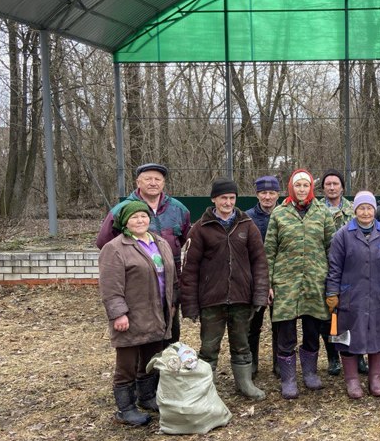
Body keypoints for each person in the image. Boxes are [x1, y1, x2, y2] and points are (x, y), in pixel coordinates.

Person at [180, 178, 269, 400]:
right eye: (223, 198)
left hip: (241, 298)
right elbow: (189, 269)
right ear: (214, 199)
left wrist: (259, 294)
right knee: (209, 347)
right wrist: (190, 304)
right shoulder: (200, 228)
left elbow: (259, 262)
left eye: (231, 198)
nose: (228, 202)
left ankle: (245, 383)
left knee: (242, 344)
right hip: (212, 300)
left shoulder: (247, 225)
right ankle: (205, 388)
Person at [98, 201, 176, 426]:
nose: (140, 221)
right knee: (127, 365)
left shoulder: (159, 242)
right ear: (124, 222)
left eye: (143, 216)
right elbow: (110, 286)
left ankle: (147, 397)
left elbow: (170, 276)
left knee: (151, 361)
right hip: (131, 316)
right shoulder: (115, 248)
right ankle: (125, 409)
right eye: (134, 217)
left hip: (157, 313)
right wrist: (118, 314)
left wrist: (171, 302)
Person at [96, 163, 191, 344]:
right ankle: (144, 370)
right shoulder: (121, 210)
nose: (153, 183)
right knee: (141, 333)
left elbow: (186, 239)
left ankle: (167, 368)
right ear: (138, 182)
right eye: (148, 179)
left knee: (170, 329)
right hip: (138, 286)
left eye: (158, 179)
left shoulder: (178, 209)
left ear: (163, 183)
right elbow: (104, 243)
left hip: (171, 283)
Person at [266, 169, 336, 399]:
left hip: (315, 282)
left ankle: (310, 373)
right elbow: (269, 252)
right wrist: (268, 283)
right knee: (285, 332)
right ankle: (288, 378)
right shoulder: (279, 214)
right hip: (286, 283)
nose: (302, 189)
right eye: (298, 186)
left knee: (312, 329)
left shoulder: (322, 213)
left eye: (306, 185)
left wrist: (332, 281)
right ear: (291, 188)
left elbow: (331, 248)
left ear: (311, 188)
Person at [326, 192, 380, 398]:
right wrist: (332, 292)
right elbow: (334, 266)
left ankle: (375, 378)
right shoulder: (343, 234)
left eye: (369, 208)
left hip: (379, 294)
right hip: (351, 295)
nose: (366, 212)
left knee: (379, 334)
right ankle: (351, 380)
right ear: (355, 210)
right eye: (361, 208)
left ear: (374, 210)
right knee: (348, 336)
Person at [318, 168, 358, 375]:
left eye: (336, 184)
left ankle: (356, 355)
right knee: (329, 317)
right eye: (328, 184)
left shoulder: (354, 210)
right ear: (323, 188)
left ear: (342, 187)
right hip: (325, 271)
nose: (332, 187)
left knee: (353, 315)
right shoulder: (315, 210)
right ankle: (333, 357)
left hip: (351, 271)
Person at [247, 175, 281, 377]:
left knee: (280, 324)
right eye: (263, 193)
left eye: (271, 193)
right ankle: (251, 363)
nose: (267, 197)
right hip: (255, 279)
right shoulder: (247, 217)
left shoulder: (286, 215)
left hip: (281, 279)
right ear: (257, 194)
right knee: (253, 324)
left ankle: (280, 362)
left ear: (278, 194)